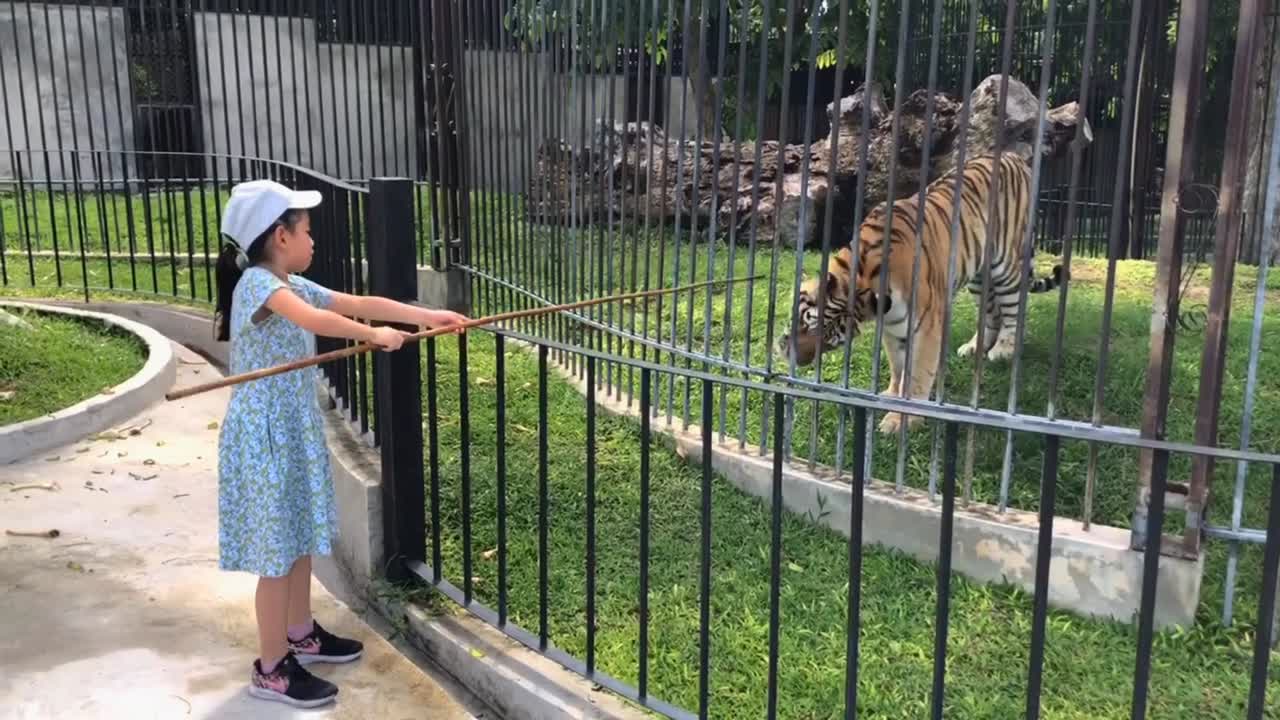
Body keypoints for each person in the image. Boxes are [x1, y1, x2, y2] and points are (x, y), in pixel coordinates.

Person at [212, 179, 467, 708]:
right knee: (277, 555)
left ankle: (300, 633)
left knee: (299, 535)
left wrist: (426, 317)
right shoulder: (259, 286)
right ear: (280, 236)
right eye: (307, 232)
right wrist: (371, 336)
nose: (314, 242)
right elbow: (317, 320)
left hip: (290, 428)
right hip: (265, 438)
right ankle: (271, 668)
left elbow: (357, 300)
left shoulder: (286, 280)